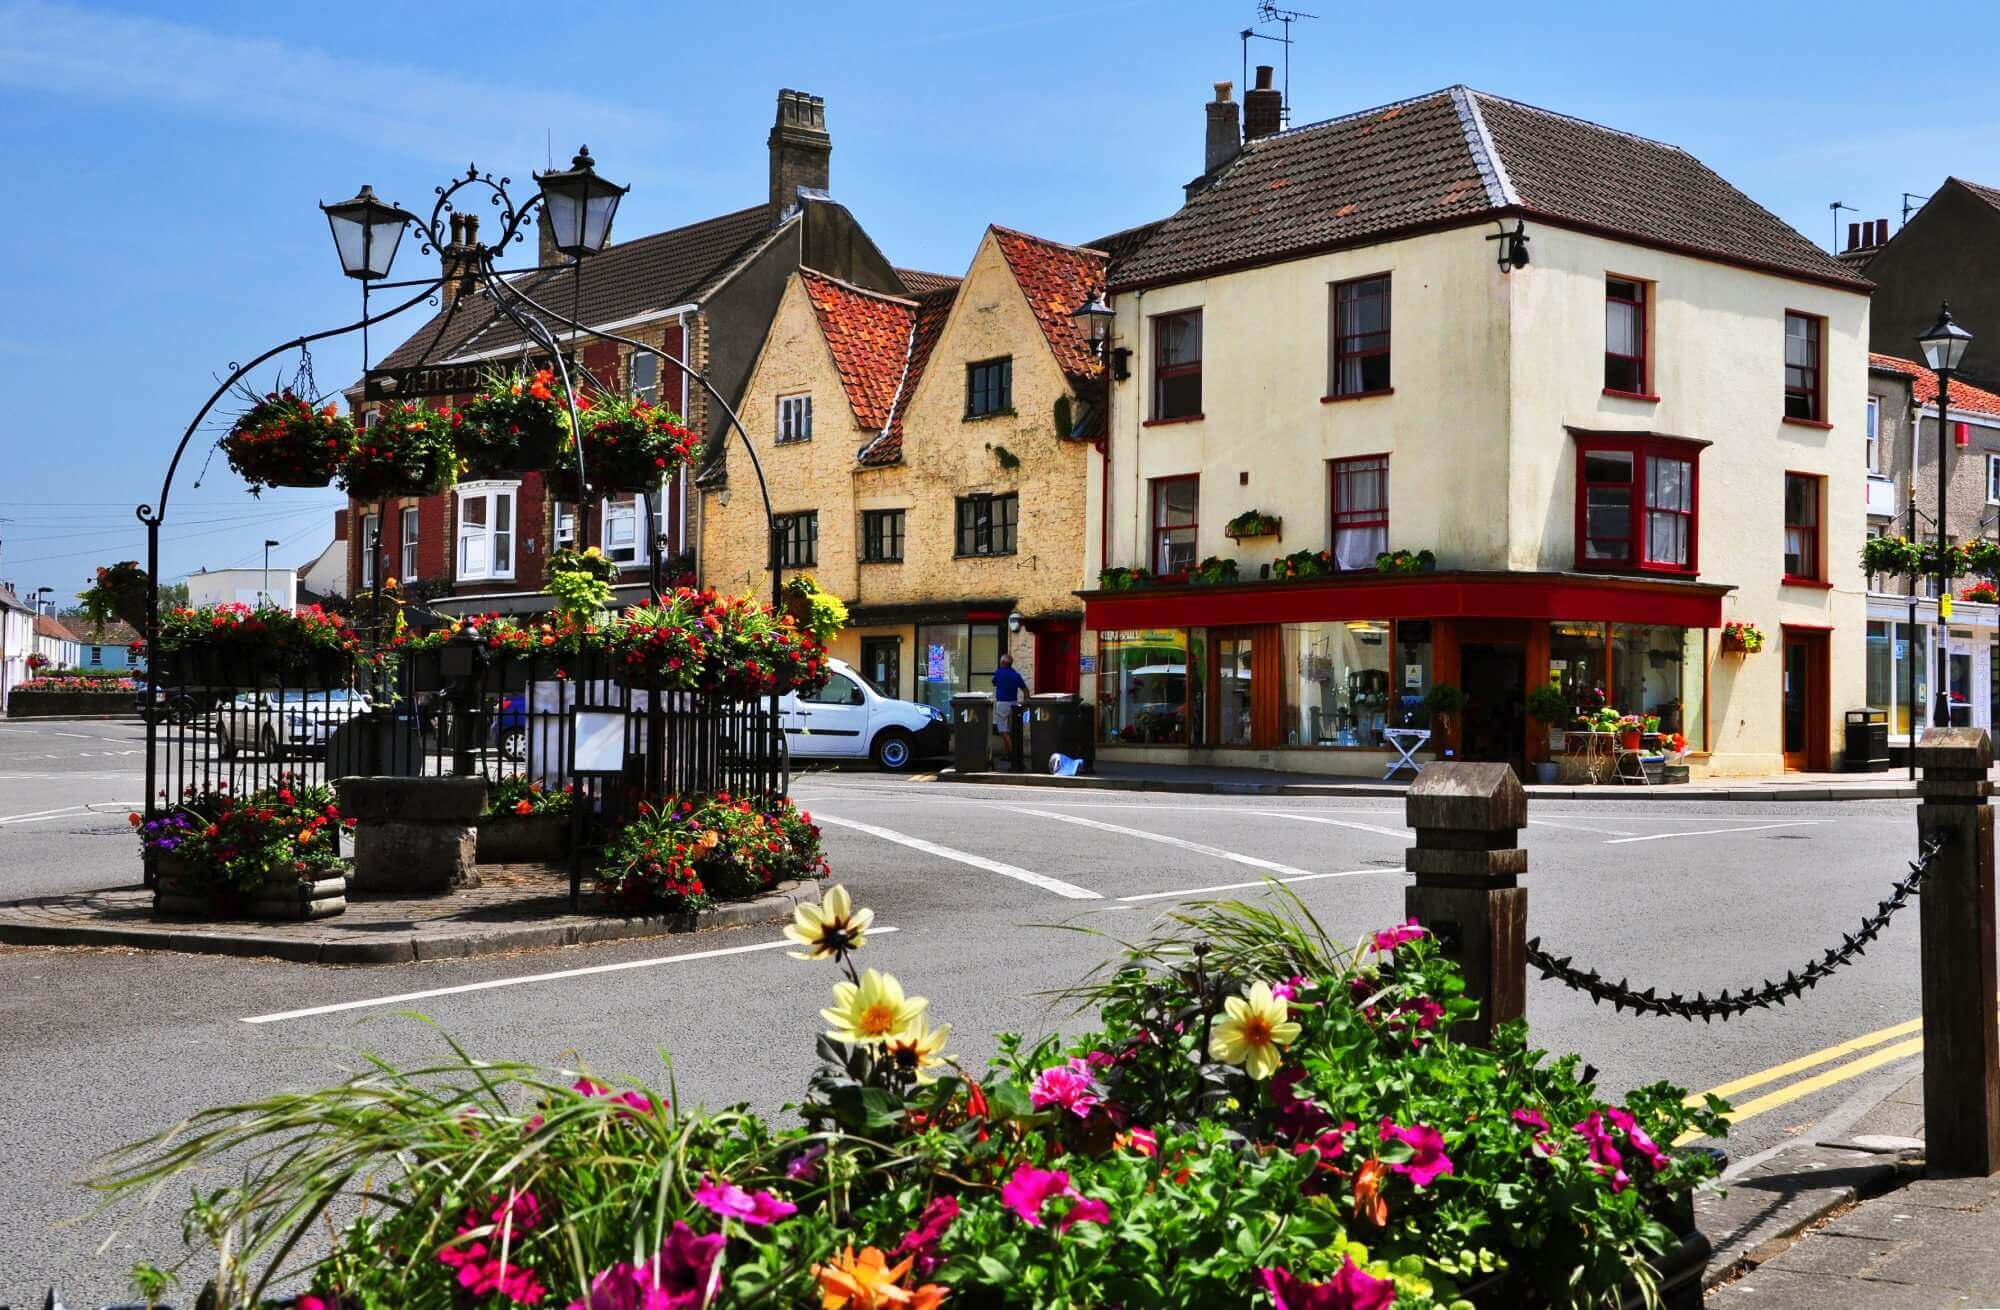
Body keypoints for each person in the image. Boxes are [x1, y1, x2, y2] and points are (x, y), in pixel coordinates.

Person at [991, 652, 1029, 767]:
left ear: (1002, 663)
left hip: (1002, 704)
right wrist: (1025, 704)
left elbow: (994, 682)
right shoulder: (1016, 675)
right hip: (1014, 704)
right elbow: (1025, 690)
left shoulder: (999, 672)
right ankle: (1008, 753)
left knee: (1003, 731)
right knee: (1011, 731)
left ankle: (1013, 755)